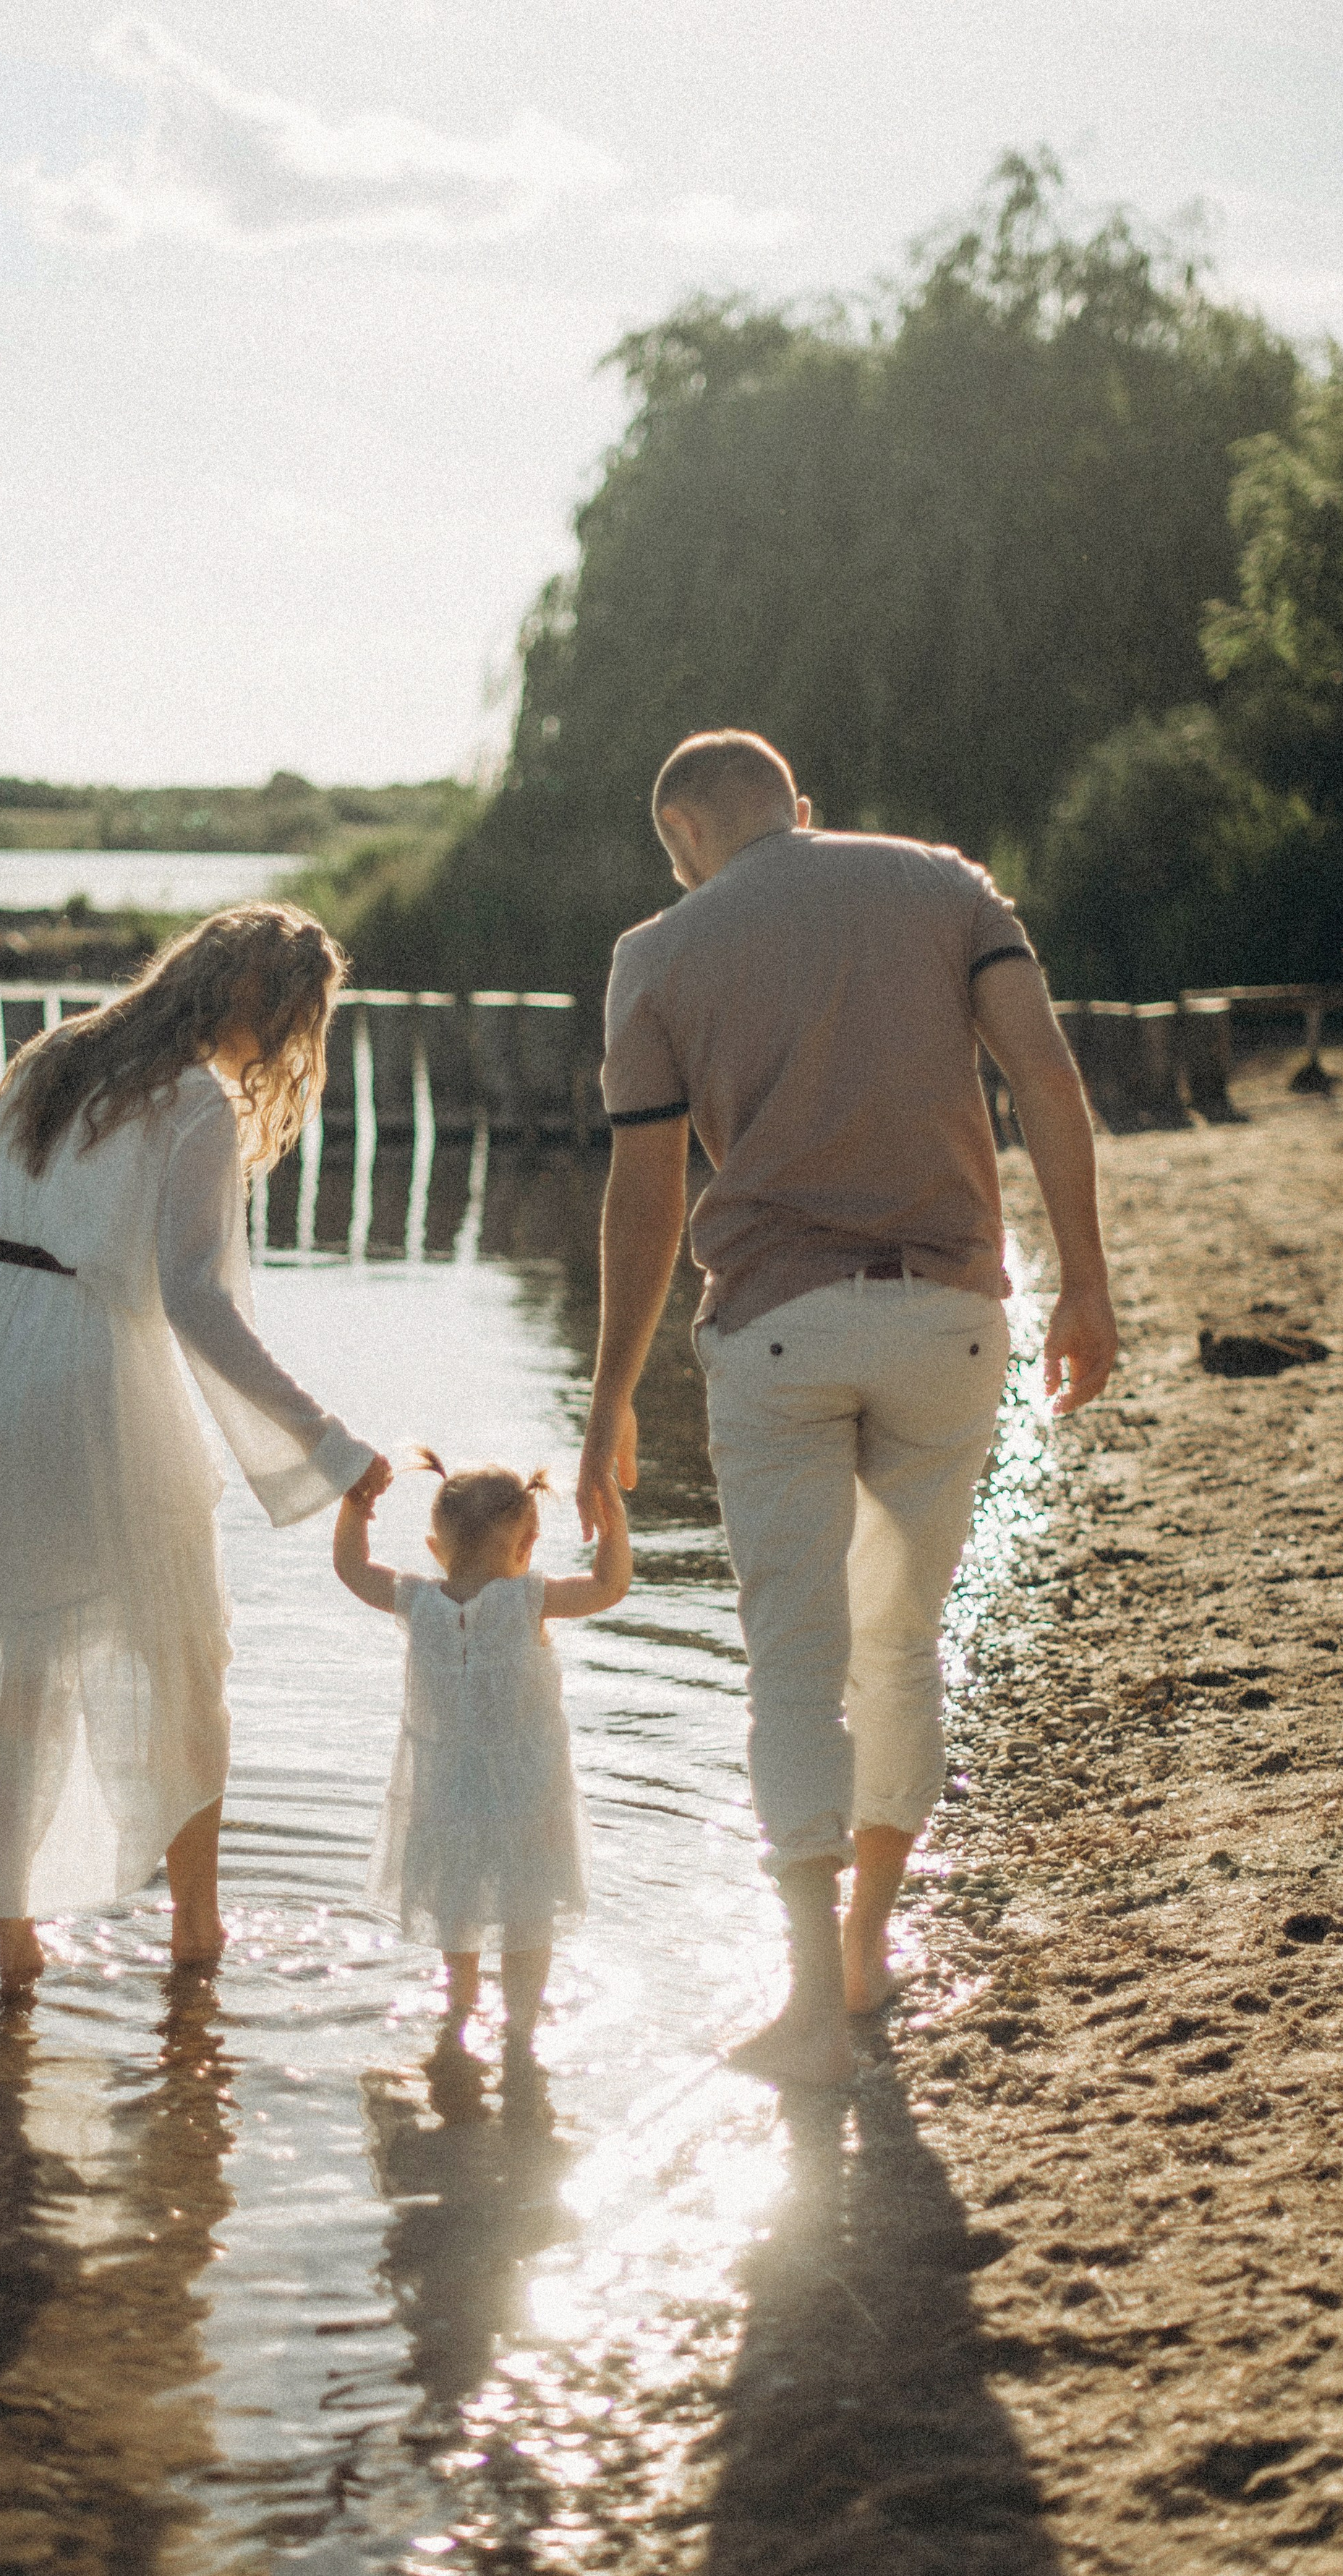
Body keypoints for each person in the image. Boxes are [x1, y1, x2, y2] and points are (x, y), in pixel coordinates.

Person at [575, 730, 1117, 2088]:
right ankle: (873, 1949)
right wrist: (1088, 1289)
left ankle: (812, 2000)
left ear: (686, 834)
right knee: (902, 1643)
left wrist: (607, 1406)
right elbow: (1046, 1081)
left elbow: (644, 1203)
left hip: (773, 1333)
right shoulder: (947, 887)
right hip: (952, 1319)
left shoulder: (659, 950)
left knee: (795, 1664)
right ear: (797, 809)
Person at [0, 903, 386, 1999]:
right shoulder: (195, 1101)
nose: (285, 1045)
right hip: (86, 1363)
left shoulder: (54, 1054)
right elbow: (194, 1300)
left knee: (17, 1656)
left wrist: (17, 1307)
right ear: (261, 1006)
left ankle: (17, 1951)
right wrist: (326, 1443)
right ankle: (197, 1931)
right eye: (295, 1018)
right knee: (182, 1648)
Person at [334, 1450, 631, 2055]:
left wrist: (354, 1505)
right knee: (529, 1917)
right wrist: (613, 1524)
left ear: (435, 1547)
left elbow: (351, 1566)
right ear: (528, 1545)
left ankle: (460, 2008)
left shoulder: (416, 1601)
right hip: (529, 1801)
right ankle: (521, 2027)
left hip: (446, 1800)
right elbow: (610, 1585)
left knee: (456, 1908)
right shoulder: (531, 1599)